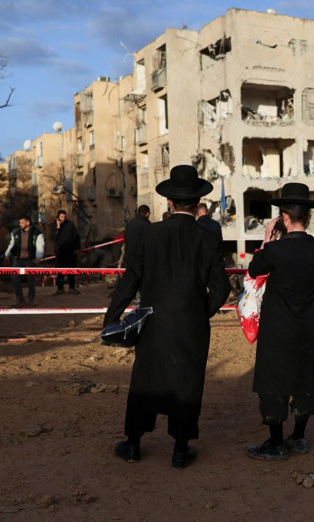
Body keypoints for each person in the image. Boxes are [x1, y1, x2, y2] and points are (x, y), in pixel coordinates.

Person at [104, 165, 231, 469]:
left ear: (170, 202)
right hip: (191, 325)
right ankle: (180, 449)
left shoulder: (149, 234)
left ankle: (133, 444)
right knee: (187, 383)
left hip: (153, 323)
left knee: (145, 379)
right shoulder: (208, 238)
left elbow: (129, 280)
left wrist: (112, 318)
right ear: (197, 202)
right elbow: (222, 288)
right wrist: (200, 312)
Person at [245, 183, 314, 462]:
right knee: (302, 378)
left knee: (273, 381)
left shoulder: (275, 250)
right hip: (304, 325)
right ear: (307, 216)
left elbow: (254, 269)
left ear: (284, 217)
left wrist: (268, 240)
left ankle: (276, 442)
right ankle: (299, 437)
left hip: (276, 326)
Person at [4, 216, 45, 307]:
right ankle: (19, 299)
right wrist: (7, 254)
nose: (20, 224)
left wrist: (38, 257)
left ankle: (31, 299)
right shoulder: (15, 233)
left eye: (22, 222)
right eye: (19, 223)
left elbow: (40, 246)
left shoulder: (37, 233)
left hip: (30, 259)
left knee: (31, 279)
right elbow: (11, 245)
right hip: (17, 259)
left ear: (28, 223)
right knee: (14, 278)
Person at [52, 209, 81, 295]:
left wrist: (77, 248)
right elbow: (53, 237)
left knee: (71, 270)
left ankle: (72, 287)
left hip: (70, 251)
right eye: (61, 217)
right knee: (60, 271)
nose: (63, 218)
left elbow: (76, 236)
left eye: (64, 216)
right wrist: (57, 227)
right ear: (58, 217)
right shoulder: (54, 225)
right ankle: (60, 288)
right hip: (60, 251)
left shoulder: (70, 224)